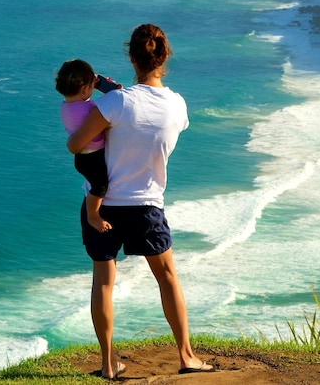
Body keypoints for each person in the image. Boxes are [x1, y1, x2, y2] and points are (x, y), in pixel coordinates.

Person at [67, 23, 213, 379]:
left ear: (130, 57)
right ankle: (187, 356)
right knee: (167, 278)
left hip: (102, 205)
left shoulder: (113, 103)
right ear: (164, 58)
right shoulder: (178, 106)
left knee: (103, 281)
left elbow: (75, 145)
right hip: (147, 204)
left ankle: (108, 365)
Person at [56, 59, 113, 234]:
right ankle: (93, 216)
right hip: (92, 157)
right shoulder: (90, 109)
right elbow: (110, 107)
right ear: (84, 89)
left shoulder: (67, 105)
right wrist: (110, 89)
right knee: (100, 186)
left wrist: (89, 86)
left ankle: (94, 213)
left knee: (97, 184)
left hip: (82, 157)